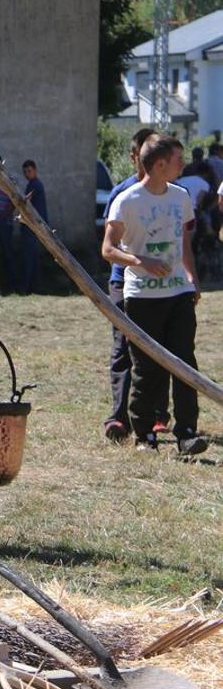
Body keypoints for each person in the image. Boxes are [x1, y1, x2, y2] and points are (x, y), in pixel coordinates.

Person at [102, 134, 207, 455]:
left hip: (178, 294)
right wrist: (139, 260)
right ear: (160, 164)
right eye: (179, 158)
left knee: (184, 363)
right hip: (142, 297)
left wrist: (191, 278)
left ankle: (187, 433)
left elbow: (183, 243)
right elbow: (107, 249)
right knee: (146, 367)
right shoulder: (127, 200)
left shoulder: (180, 197)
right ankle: (144, 434)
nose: (183, 163)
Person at [101, 128, 156, 442]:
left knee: (159, 350)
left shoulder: (172, 192)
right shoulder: (122, 193)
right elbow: (109, 246)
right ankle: (118, 418)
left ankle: (157, 416)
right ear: (135, 156)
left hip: (163, 287)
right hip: (124, 283)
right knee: (123, 349)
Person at [17, 159, 47, 294]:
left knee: (28, 257)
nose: (27, 174)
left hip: (32, 226)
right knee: (32, 257)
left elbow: (24, 202)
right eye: (25, 172)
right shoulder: (34, 184)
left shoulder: (34, 185)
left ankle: (25, 287)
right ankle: (36, 286)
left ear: (35, 170)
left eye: (29, 171)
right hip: (35, 226)